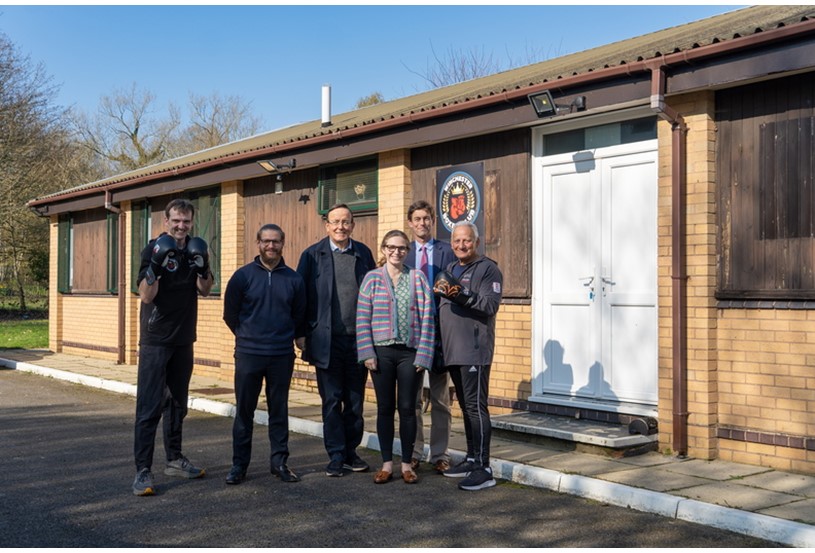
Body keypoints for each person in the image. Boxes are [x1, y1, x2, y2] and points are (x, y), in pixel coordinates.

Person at [132, 198, 214, 496]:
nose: (181, 226)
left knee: (178, 404)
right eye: (176, 221)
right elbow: (145, 296)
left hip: (184, 337)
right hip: (156, 338)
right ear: (166, 221)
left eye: (186, 221)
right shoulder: (154, 248)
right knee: (149, 405)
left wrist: (203, 268)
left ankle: (175, 459)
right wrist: (155, 265)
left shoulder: (197, 247)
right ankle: (143, 470)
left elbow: (205, 290)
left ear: (192, 222)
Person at [296, 203, 377, 477]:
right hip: (325, 341)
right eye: (335, 222)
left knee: (355, 402)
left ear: (352, 225)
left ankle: (351, 453)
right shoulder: (311, 255)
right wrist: (301, 333)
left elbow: (375, 294)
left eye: (346, 222)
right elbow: (301, 298)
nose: (341, 226)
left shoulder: (363, 253)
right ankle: (335, 456)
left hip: (359, 341)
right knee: (331, 401)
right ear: (326, 225)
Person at [223, 224, 306, 485]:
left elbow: (300, 316)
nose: (271, 246)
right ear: (258, 243)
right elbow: (230, 314)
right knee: (244, 412)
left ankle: (279, 462)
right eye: (266, 241)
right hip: (249, 354)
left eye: (276, 242)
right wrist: (248, 336)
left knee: (278, 410)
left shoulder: (294, 279)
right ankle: (239, 466)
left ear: (283, 243)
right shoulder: (242, 276)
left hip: (281, 355)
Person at [356, 230, 436, 484]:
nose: (396, 251)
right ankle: (387, 463)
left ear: (407, 251)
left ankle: (407, 465)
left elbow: (428, 319)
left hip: (410, 353)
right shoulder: (372, 279)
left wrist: (424, 355)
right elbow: (362, 318)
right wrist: (367, 352)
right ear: (383, 249)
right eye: (391, 247)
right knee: (384, 408)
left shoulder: (417, 278)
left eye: (401, 248)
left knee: (408, 408)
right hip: (381, 353)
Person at [433, 221, 503, 491]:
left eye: (467, 241)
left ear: (476, 241)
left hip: (475, 351)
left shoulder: (488, 269)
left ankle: (485, 468)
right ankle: (472, 457)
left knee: (476, 407)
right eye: (457, 241)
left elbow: (489, 305)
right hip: (453, 351)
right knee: (465, 407)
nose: (461, 245)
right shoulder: (450, 268)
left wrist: (458, 293)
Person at [404, 200, 456, 475]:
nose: (422, 223)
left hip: (440, 336)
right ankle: (413, 452)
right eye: (417, 219)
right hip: (412, 335)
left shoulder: (447, 251)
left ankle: (440, 454)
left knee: (440, 398)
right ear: (410, 223)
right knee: (411, 399)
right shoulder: (403, 253)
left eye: (426, 218)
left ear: (432, 221)